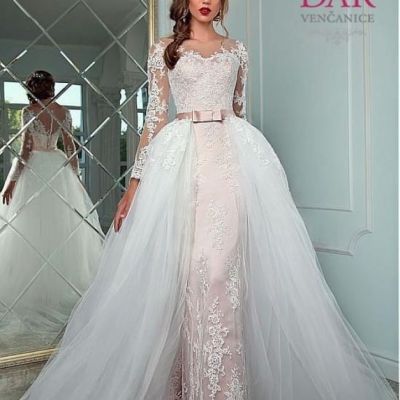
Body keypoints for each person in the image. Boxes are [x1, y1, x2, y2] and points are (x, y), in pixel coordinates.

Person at [19, 1, 398, 399]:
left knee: (220, 273)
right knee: (182, 275)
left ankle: (222, 388)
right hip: (179, 164)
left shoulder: (237, 51)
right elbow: (154, 119)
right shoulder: (164, 49)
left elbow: (238, 110)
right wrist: (134, 185)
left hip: (230, 162)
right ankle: (183, 384)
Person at [0, 70, 103, 342]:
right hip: (58, 169)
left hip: (35, 169)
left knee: (30, 227)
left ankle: (35, 290)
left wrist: (11, 182)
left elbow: (25, 152)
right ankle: (58, 288)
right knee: (61, 228)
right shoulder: (63, 112)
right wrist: (76, 179)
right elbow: (70, 149)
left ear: (32, 89)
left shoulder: (28, 112)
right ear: (51, 87)